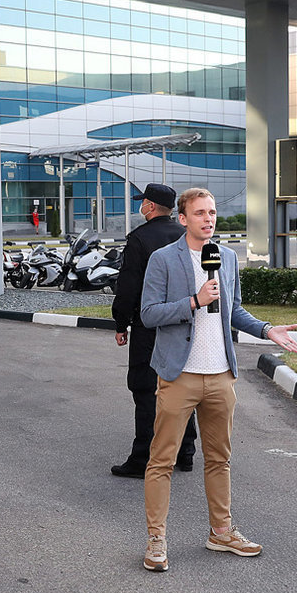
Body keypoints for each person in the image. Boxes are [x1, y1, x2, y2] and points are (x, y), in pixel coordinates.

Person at [138, 187, 297, 572]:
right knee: (161, 460)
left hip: (221, 374)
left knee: (219, 459)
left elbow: (235, 310)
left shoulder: (225, 257)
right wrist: (194, 301)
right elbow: (147, 314)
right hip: (179, 375)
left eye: (212, 212)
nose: (208, 219)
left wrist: (266, 330)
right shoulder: (163, 259)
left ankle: (221, 532)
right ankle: (157, 538)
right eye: (199, 213)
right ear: (182, 218)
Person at [110, 183, 198, 479]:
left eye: (142, 203)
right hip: (185, 322)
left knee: (146, 389)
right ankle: (185, 452)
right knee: (182, 386)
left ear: (148, 206)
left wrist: (121, 323)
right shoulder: (186, 235)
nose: (141, 207)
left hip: (150, 325)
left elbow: (128, 287)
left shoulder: (140, 239)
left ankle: (142, 458)